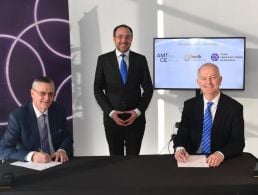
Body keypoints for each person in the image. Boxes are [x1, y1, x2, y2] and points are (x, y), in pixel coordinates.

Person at [94, 24, 153, 156]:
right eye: (120, 37)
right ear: (114, 39)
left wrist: (137, 112)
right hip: (112, 120)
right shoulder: (103, 60)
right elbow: (97, 89)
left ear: (132, 39)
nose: (124, 40)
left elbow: (148, 89)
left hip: (136, 120)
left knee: (134, 160)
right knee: (115, 159)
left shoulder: (141, 60)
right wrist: (110, 112)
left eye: (127, 37)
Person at [173, 63, 245, 167]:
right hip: (191, 160)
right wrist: (179, 149)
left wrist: (221, 154)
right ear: (198, 82)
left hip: (220, 163)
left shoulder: (234, 108)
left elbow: (238, 142)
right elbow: (182, 134)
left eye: (213, 77)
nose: (208, 82)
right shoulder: (189, 105)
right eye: (203, 78)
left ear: (220, 80)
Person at [0, 76, 73, 163]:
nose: (47, 98)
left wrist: (62, 150)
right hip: (31, 167)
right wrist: (32, 156)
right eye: (42, 93)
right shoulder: (18, 117)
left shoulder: (59, 110)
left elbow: (67, 137)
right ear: (32, 94)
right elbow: (3, 150)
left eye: (51, 94)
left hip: (56, 162)